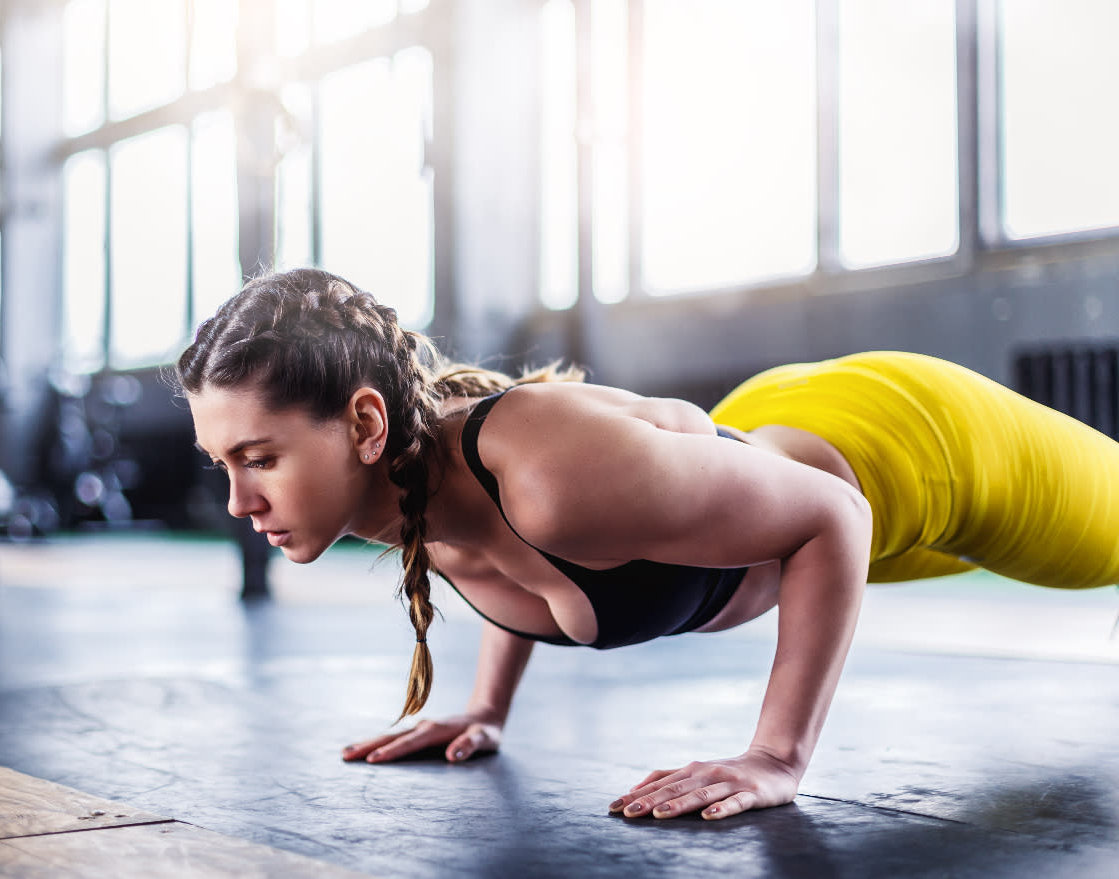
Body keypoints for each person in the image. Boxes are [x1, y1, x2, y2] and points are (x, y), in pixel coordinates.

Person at [177, 267, 1119, 822]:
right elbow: (504, 555)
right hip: (768, 443)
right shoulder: (432, 488)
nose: (236, 499)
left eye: (258, 457)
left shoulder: (548, 478)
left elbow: (836, 517)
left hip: (917, 453)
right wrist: (485, 707)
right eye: (221, 461)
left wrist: (776, 757)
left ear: (366, 423)